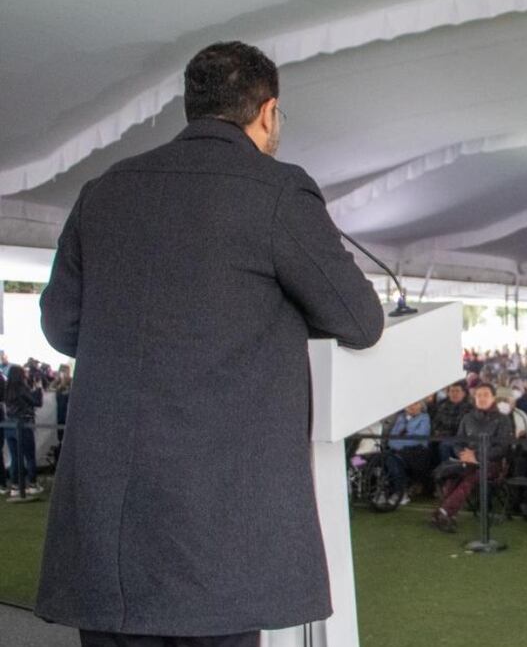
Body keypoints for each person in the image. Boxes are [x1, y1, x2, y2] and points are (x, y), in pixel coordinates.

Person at [37, 41, 386, 647]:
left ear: (192, 106)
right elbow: (360, 320)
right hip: (218, 527)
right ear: (268, 112)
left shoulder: (104, 190)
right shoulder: (277, 191)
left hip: (109, 522)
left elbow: (61, 325)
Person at [431, 384, 513, 532]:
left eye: (486, 395)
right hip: (466, 461)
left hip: (492, 464)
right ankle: (447, 514)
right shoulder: (467, 418)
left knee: (471, 477)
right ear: (474, 397)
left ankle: (443, 512)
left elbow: (502, 449)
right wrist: (463, 455)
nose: (481, 398)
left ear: (493, 397)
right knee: (453, 476)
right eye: (478, 395)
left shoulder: (503, 420)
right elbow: (458, 442)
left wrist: (477, 457)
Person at [3, 364, 45, 496]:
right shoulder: (22, 389)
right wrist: (38, 388)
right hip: (23, 425)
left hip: (9, 425)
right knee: (29, 456)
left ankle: (15, 486)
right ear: (20, 375)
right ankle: (32, 484)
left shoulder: (6, 389)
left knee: (15, 457)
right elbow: (37, 402)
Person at [384, 401, 431, 505]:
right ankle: (389, 491)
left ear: (421, 405)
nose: (411, 406)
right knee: (387, 458)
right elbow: (391, 438)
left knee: (392, 458)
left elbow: (416, 439)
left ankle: (400, 492)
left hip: (417, 452)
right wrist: (400, 442)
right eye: (409, 404)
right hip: (397, 451)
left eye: (416, 403)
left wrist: (398, 443)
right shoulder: (401, 417)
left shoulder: (424, 418)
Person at [432, 382, 472, 463]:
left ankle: (447, 468)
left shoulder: (469, 408)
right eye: (452, 391)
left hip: (460, 438)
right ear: (448, 393)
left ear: (463, 394)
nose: (454, 393)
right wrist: (439, 432)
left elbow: (459, 426)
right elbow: (436, 423)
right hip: (442, 436)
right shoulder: (442, 406)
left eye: (457, 391)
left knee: (445, 445)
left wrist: (445, 432)